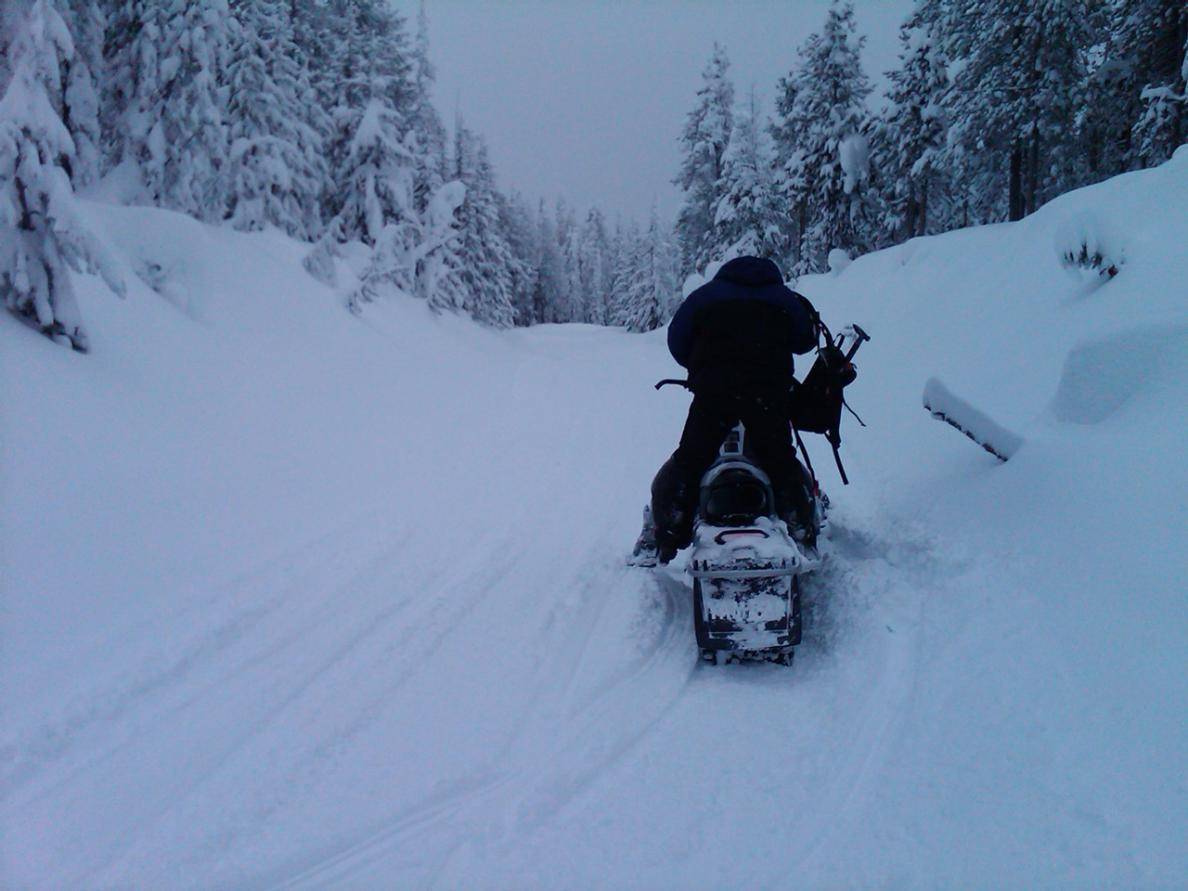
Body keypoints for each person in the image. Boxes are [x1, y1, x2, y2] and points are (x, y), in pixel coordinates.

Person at [648, 256, 819, 564]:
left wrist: (698, 368)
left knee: (691, 458)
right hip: (768, 391)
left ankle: (669, 531)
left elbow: (677, 339)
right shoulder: (783, 297)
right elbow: (806, 340)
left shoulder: (705, 296)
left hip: (715, 390)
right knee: (779, 458)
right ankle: (800, 527)